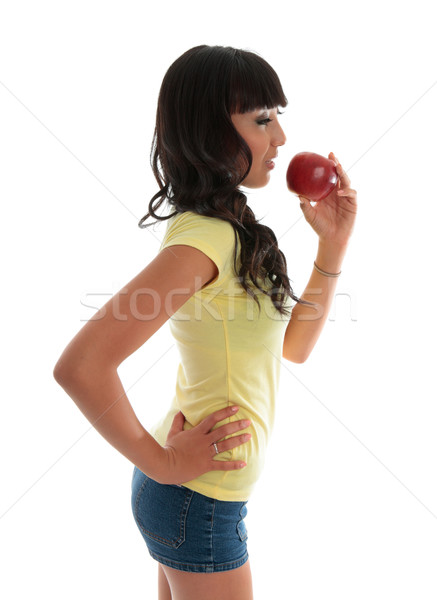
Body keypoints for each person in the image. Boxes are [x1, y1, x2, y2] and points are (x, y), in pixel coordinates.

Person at [53, 44, 357, 600]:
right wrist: (164, 463)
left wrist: (332, 249)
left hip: (199, 497)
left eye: (277, 117)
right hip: (198, 500)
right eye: (262, 120)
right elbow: (81, 365)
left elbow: (293, 347)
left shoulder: (226, 227)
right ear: (210, 133)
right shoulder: (209, 237)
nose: (282, 139)